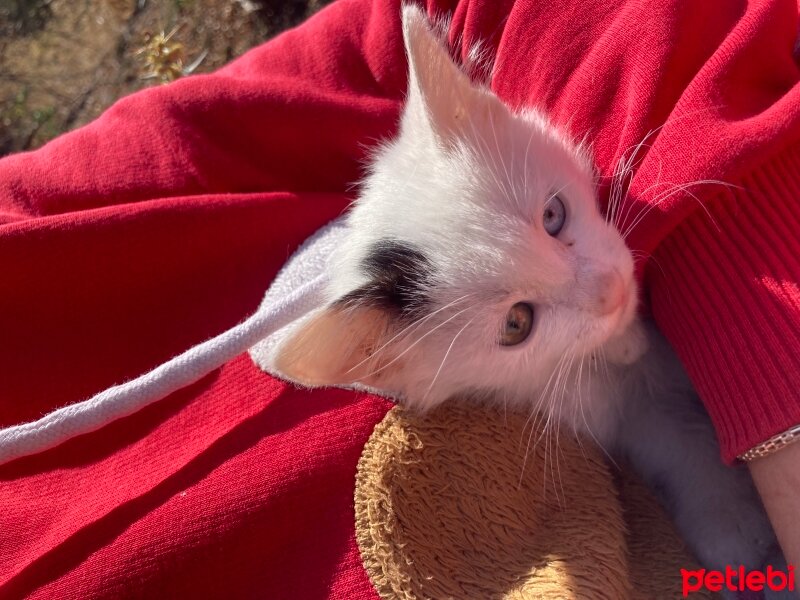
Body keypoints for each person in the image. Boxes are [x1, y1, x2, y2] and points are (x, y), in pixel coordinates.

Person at [0, 0, 798, 594]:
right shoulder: (421, 347)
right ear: (397, 367)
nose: (602, 286)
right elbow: (636, 417)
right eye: (518, 322)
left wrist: (757, 349)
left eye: (556, 216)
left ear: (487, 112)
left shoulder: (47, 220)